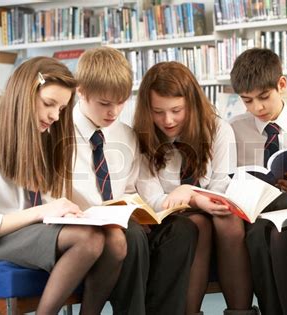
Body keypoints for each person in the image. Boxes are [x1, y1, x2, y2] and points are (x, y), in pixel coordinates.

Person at [72, 47, 197, 315]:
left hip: (124, 221)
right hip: (83, 226)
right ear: (81, 91)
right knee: (133, 236)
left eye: (121, 102)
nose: (114, 112)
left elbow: (130, 188)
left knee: (182, 230)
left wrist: (138, 210)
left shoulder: (125, 135)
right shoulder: (59, 132)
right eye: (105, 104)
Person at [0, 56, 121, 314]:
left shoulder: (44, 136)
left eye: (62, 108)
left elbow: (46, 200)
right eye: (48, 104)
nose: (55, 116)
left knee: (115, 239)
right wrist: (43, 212)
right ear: (23, 95)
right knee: (88, 240)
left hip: (33, 229)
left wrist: (66, 210)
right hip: (5, 234)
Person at [133, 61, 257, 315]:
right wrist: (191, 201)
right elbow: (154, 199)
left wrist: (191, 193)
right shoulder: (142, 136)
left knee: (228, 220)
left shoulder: (218, 129)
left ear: (191, 103)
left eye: (176, 110)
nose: (167, 120)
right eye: (158, 112)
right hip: (167, 223)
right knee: (197, 223)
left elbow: (221, 184)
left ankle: (240, 312)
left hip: (210, 211)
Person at [229, 48, 287, 315]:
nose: (256, 108)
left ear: (281, 85)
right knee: (258, 233)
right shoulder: (235, 128)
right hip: (256, 210)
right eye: (247, 101)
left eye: (263, 97)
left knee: (281, 234)